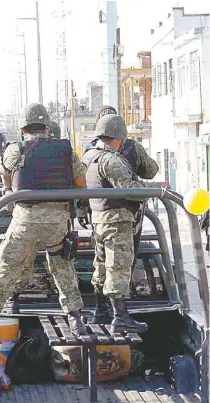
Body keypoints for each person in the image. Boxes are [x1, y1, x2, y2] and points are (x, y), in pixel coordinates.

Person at [0, 103, 87, 336]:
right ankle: (75, 318)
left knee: (8, 265)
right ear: (48, 127)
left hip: (25, 219)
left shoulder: (14, 149)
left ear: (22, 129)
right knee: (62, 266)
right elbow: (81, 183)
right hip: (57, 220)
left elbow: (7, 182)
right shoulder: (65, 150)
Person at [81, 114, 161, 334]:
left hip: (98, 218)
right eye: (122, 139)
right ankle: (120, 316)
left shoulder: (88, 156)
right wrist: (156, 189)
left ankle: (101, 310)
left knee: (101, 265)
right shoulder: (111, 160)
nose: (124, 143)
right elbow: (130, 190)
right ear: (117, 137)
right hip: (118, 219)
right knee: (118, 266)